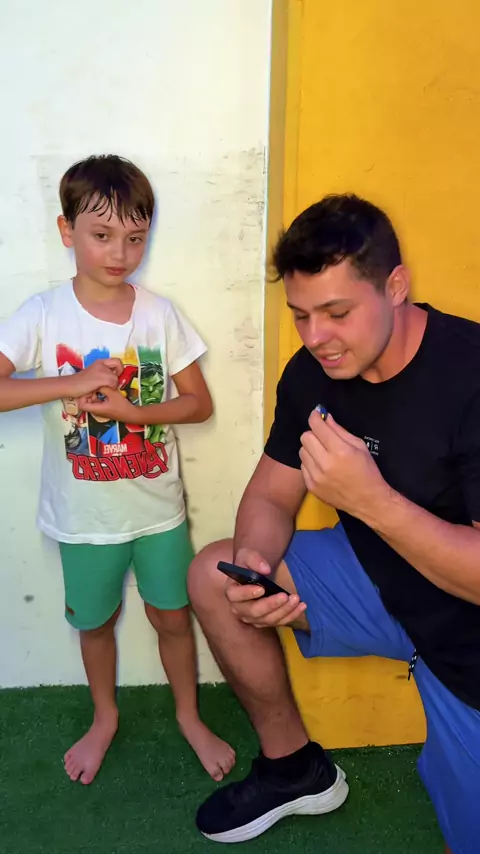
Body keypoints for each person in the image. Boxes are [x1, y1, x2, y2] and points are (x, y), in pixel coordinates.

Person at [188, 194, 480, 854]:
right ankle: (294, 770)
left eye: (337, 313)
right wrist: (255, 569)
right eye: (301, 315)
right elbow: (271, 494)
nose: (315, 336)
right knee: (214, 574)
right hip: (379, 582)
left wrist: (371, 500)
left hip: (469, 633)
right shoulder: (314, 373)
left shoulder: (470, 377)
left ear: (396, 287)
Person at [0, 154, 235, 785]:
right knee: (96, 623)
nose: (120, 252)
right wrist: (70, 382)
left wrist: (135, 411)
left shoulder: (159, 314)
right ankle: (105, 716)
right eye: (101, 235)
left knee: (172, 617)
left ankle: (188, 714)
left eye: (135, 237)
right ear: (65, 229)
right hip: (85, 518)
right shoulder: (43, 314)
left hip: (158, 512)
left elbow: (198, 403)